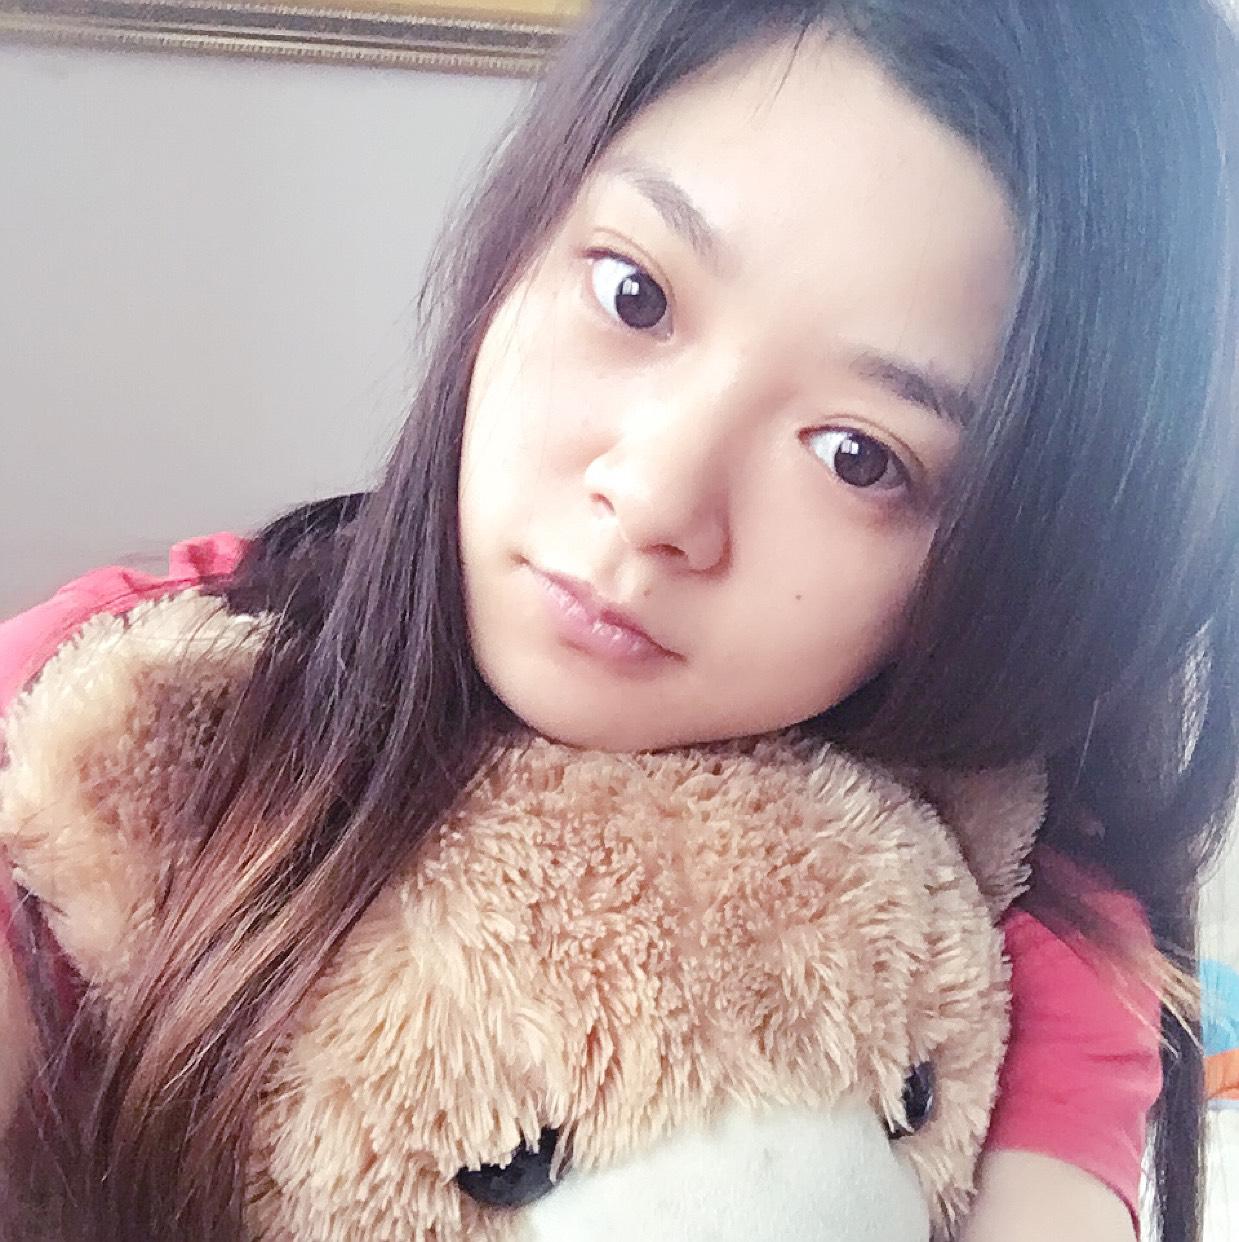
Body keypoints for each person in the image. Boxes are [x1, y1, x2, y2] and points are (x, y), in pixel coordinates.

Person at [0, 2, 1235, 1240]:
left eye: (858, 456)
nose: (652, 497)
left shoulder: (1009, 912)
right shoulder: (123, 711)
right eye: (634, 294)